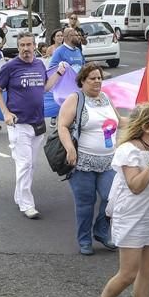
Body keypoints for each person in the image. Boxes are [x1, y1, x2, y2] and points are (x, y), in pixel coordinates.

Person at [83, 103, 149, 297]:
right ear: (145, 126)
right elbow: (135, 186)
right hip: (132, 218)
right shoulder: (128, 150)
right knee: (128, 273)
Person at [0, 32, 63, 219]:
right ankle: (27, 204)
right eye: (22, 45)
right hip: (18, 123)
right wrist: (5, 113)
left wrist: (58, 73)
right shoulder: (10, 67)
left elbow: (45, 88)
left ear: (34, 46)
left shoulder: (40, 64)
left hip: (37, 122)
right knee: (24, 164)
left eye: (29, 45)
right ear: (18, 47)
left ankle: (19, 196)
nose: (25, 49)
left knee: (30, 165)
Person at [57, 63, 121, 255]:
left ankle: (101, 232)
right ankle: (84, 239)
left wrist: (144, 120)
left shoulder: (106, 98)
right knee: (85, 203)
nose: (97, 81)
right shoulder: (75, 99)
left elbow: (120, 121)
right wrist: (70, 149)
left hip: (108, 162)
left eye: (99, 78)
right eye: (92, 78)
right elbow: (63, 126)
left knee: (112, 199)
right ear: (82, 81)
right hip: (82, 163)